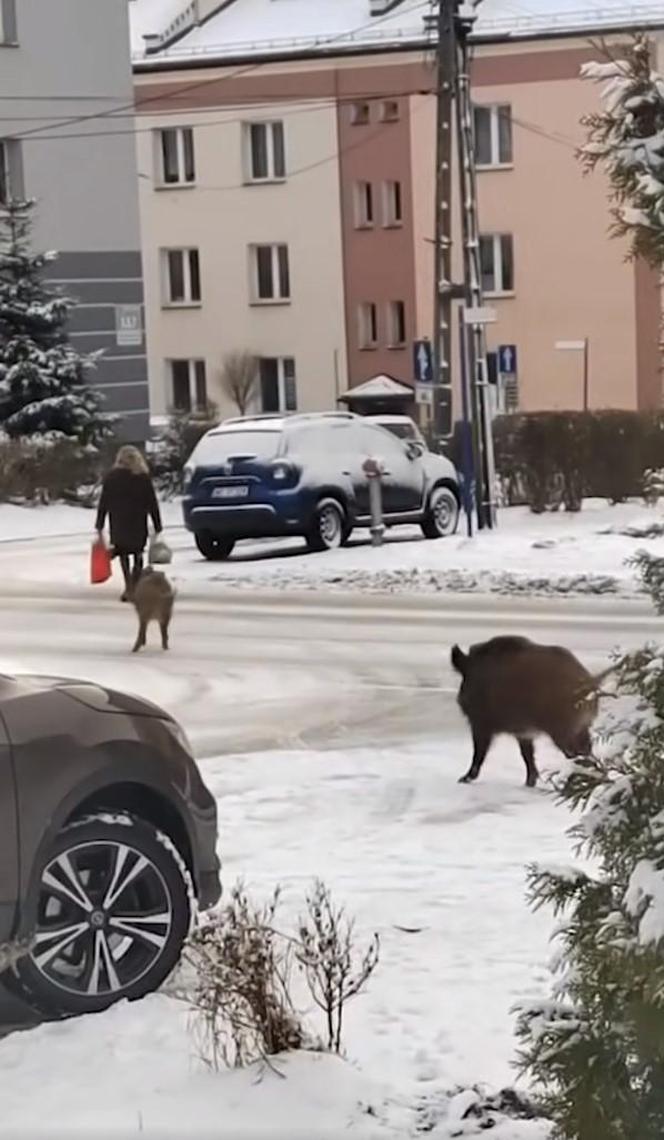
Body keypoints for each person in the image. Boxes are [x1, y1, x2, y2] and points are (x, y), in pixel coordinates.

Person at [96, 445, 163, 601]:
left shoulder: (112, 477)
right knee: (138, 553)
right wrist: (157, 523)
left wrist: (99, 523)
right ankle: (135, 583)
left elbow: (104, 502)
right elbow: (152, 502)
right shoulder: (143, 477)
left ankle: (128, 587)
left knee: (123, 554)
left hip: (119, 522)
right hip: (138, 522)